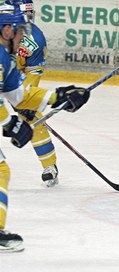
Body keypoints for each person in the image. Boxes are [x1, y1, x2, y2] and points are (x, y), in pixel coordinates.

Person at [0, 3, 90, 252]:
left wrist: (58, 96)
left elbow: (18, 93)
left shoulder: (9, 53)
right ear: (7, 30)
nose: (23, 35)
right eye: (19, 29)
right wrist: (8, 121)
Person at [9, 0, 59, 187]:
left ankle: (49, 166)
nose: (27, 20)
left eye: (29, 15)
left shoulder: (36, 40)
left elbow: (33, 72)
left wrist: (25, 99)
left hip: (17, 78)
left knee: (30, 116)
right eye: (23, 16)